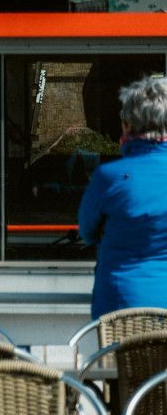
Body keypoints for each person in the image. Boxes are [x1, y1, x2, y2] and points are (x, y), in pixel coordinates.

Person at [80, 73, 167, 318]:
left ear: (128, 124)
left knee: (123, 357)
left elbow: (87, 231)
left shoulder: (110, 176)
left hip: (122, 307)